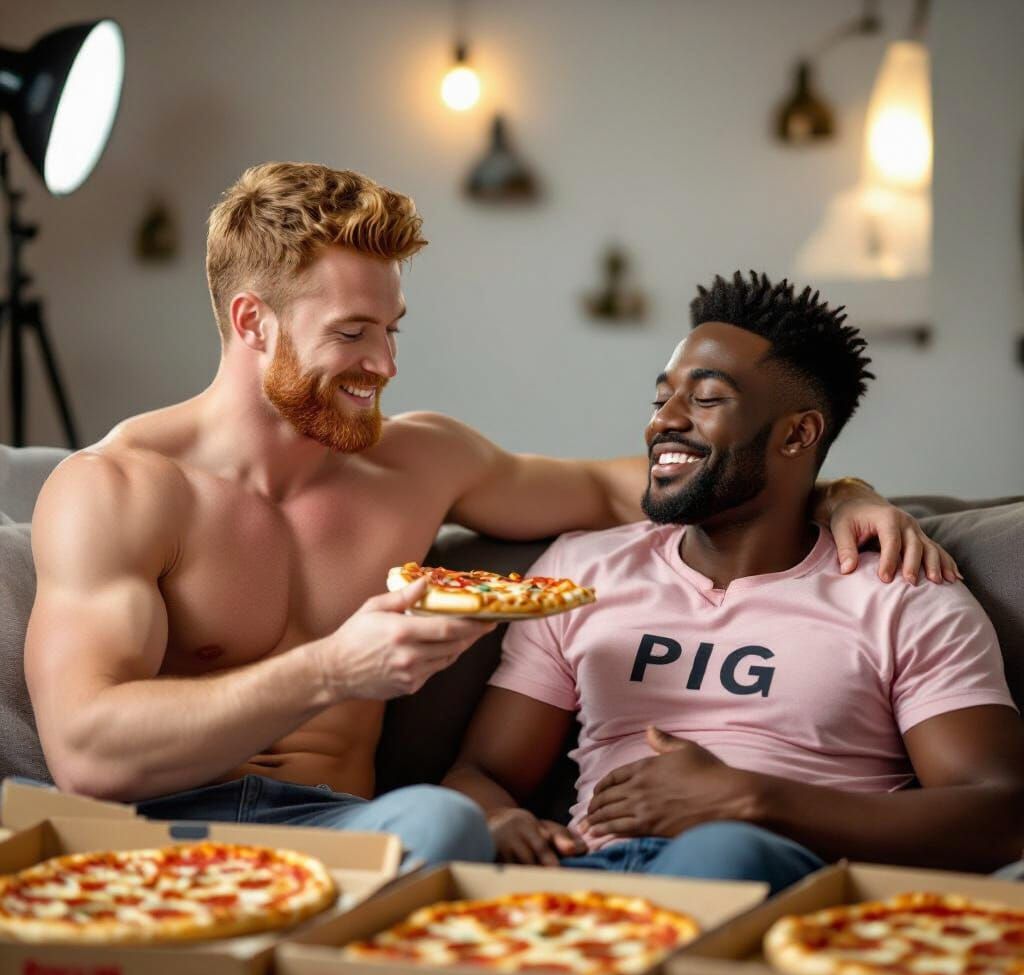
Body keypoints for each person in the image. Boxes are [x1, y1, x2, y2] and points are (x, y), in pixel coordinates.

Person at [25, 163, 954, 865]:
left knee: (443, 818)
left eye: (393, 331)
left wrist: (838, 490)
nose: (384, 365)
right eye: (351, 334)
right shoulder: (119, 488)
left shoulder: (418, 459)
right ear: (251, 321)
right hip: (147, 826)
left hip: (346, 828)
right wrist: (331, 669)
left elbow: (632, 485)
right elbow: (87, 754)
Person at [444, 271, 1024, 891]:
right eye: (661, 397)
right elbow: (482, 772)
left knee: (724, 853)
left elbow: (1001, 812)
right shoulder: (580, 569)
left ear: (797, 434)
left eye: (706, 398)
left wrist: (753, 800)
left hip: (784, 881)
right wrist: (500, 819)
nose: (662, 421)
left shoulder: (902, 590)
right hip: (589, 881)